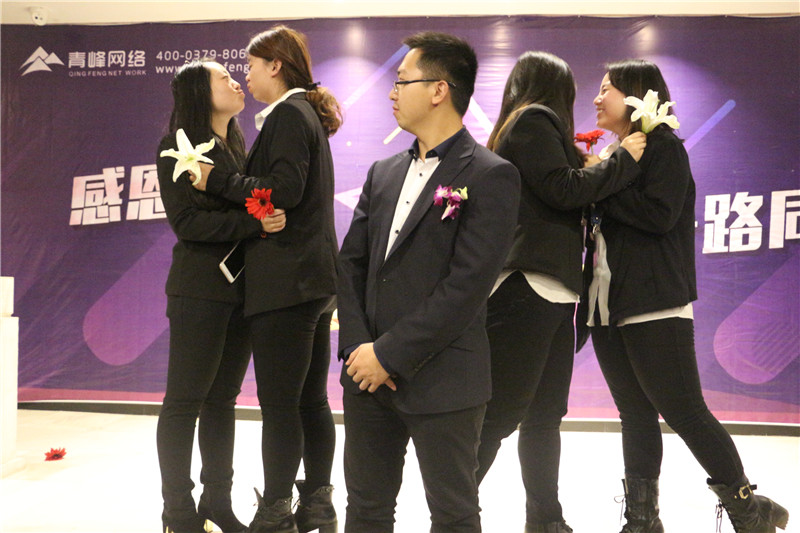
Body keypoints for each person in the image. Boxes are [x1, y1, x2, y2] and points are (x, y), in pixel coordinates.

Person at [587, 59, 789, 533]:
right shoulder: (619, 153)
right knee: (634, 413)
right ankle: (642, 521)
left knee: (685, 411)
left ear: (636, 95)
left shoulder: (662, 147)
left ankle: (747, 511)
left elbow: (659, 215)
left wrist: (602, 184)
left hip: (653, 304)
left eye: (607, 88)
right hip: (606, 305)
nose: (597, 98)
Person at [336, 32, 521, 533]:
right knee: (366, 511)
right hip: (367, 378)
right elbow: (350, 266)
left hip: (445, 379)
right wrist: (359, 350)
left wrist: (388, 354)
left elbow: (466, 288)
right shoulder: (382, 172)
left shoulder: (491, 174)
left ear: (439, 90)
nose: (392, 93)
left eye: (402, 82)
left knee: (453, 515)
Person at [476, 51, 646, 533]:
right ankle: (454, 512)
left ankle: (546, 519)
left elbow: (562, 187)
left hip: (550, 291)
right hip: (526, 286)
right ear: (558, 89)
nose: (586, 100)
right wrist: (619, 161)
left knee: (544, 415)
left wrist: (594, 167)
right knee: (502, 414)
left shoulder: (526, 125)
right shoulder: (534, 119)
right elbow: (564, 190)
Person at [191, 25, 341, 533]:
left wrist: (217, 179)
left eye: (251, 66)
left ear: (276, 65)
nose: (246, 76)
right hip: (312, 282)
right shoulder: (302, 114)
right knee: (310, 401)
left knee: (280, 406)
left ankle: (276, 509)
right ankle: (317, 502)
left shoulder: (288, 115)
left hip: (286, 283)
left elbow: (284, 190)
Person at [156, 60, 286, 533]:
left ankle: (217, 502)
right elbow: (188, 224)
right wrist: (254, 223)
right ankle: (177, 511)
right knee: (184, 401)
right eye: (222, 77)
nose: (235, 82)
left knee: (222, 400)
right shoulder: (175, 148)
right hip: (199, 292)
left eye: (235, 75)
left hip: (243, 292)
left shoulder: (238, 146)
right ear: (197, 92)